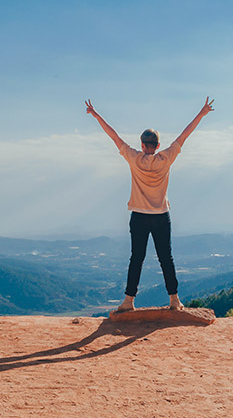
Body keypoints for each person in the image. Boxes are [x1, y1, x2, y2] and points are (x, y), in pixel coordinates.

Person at [85, 97, 215, 312]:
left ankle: (129, 301)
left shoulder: (134, 158)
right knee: (166, 258)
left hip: (139, 215)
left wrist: (97, 115)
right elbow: (185, 135)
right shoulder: (167, 157)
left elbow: (114, 137)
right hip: (161, 215)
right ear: (158, 145)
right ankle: (174, 300)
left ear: (142, 145)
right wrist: (201, 113)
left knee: (136, 258)